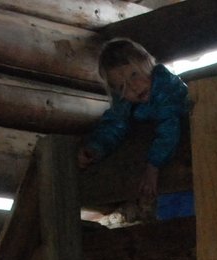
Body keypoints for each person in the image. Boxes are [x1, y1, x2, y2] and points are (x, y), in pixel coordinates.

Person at [77, 38, 191, 218]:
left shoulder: (167, 89)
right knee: (171, 212)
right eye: (122, 86)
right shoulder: (126, 104)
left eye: (134, 75)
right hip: (169, 178)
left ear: (147, 63)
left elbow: (169, 128)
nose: (132, 87)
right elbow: (114, 125)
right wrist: (95, 148)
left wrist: (153, 167)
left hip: (187, 162)